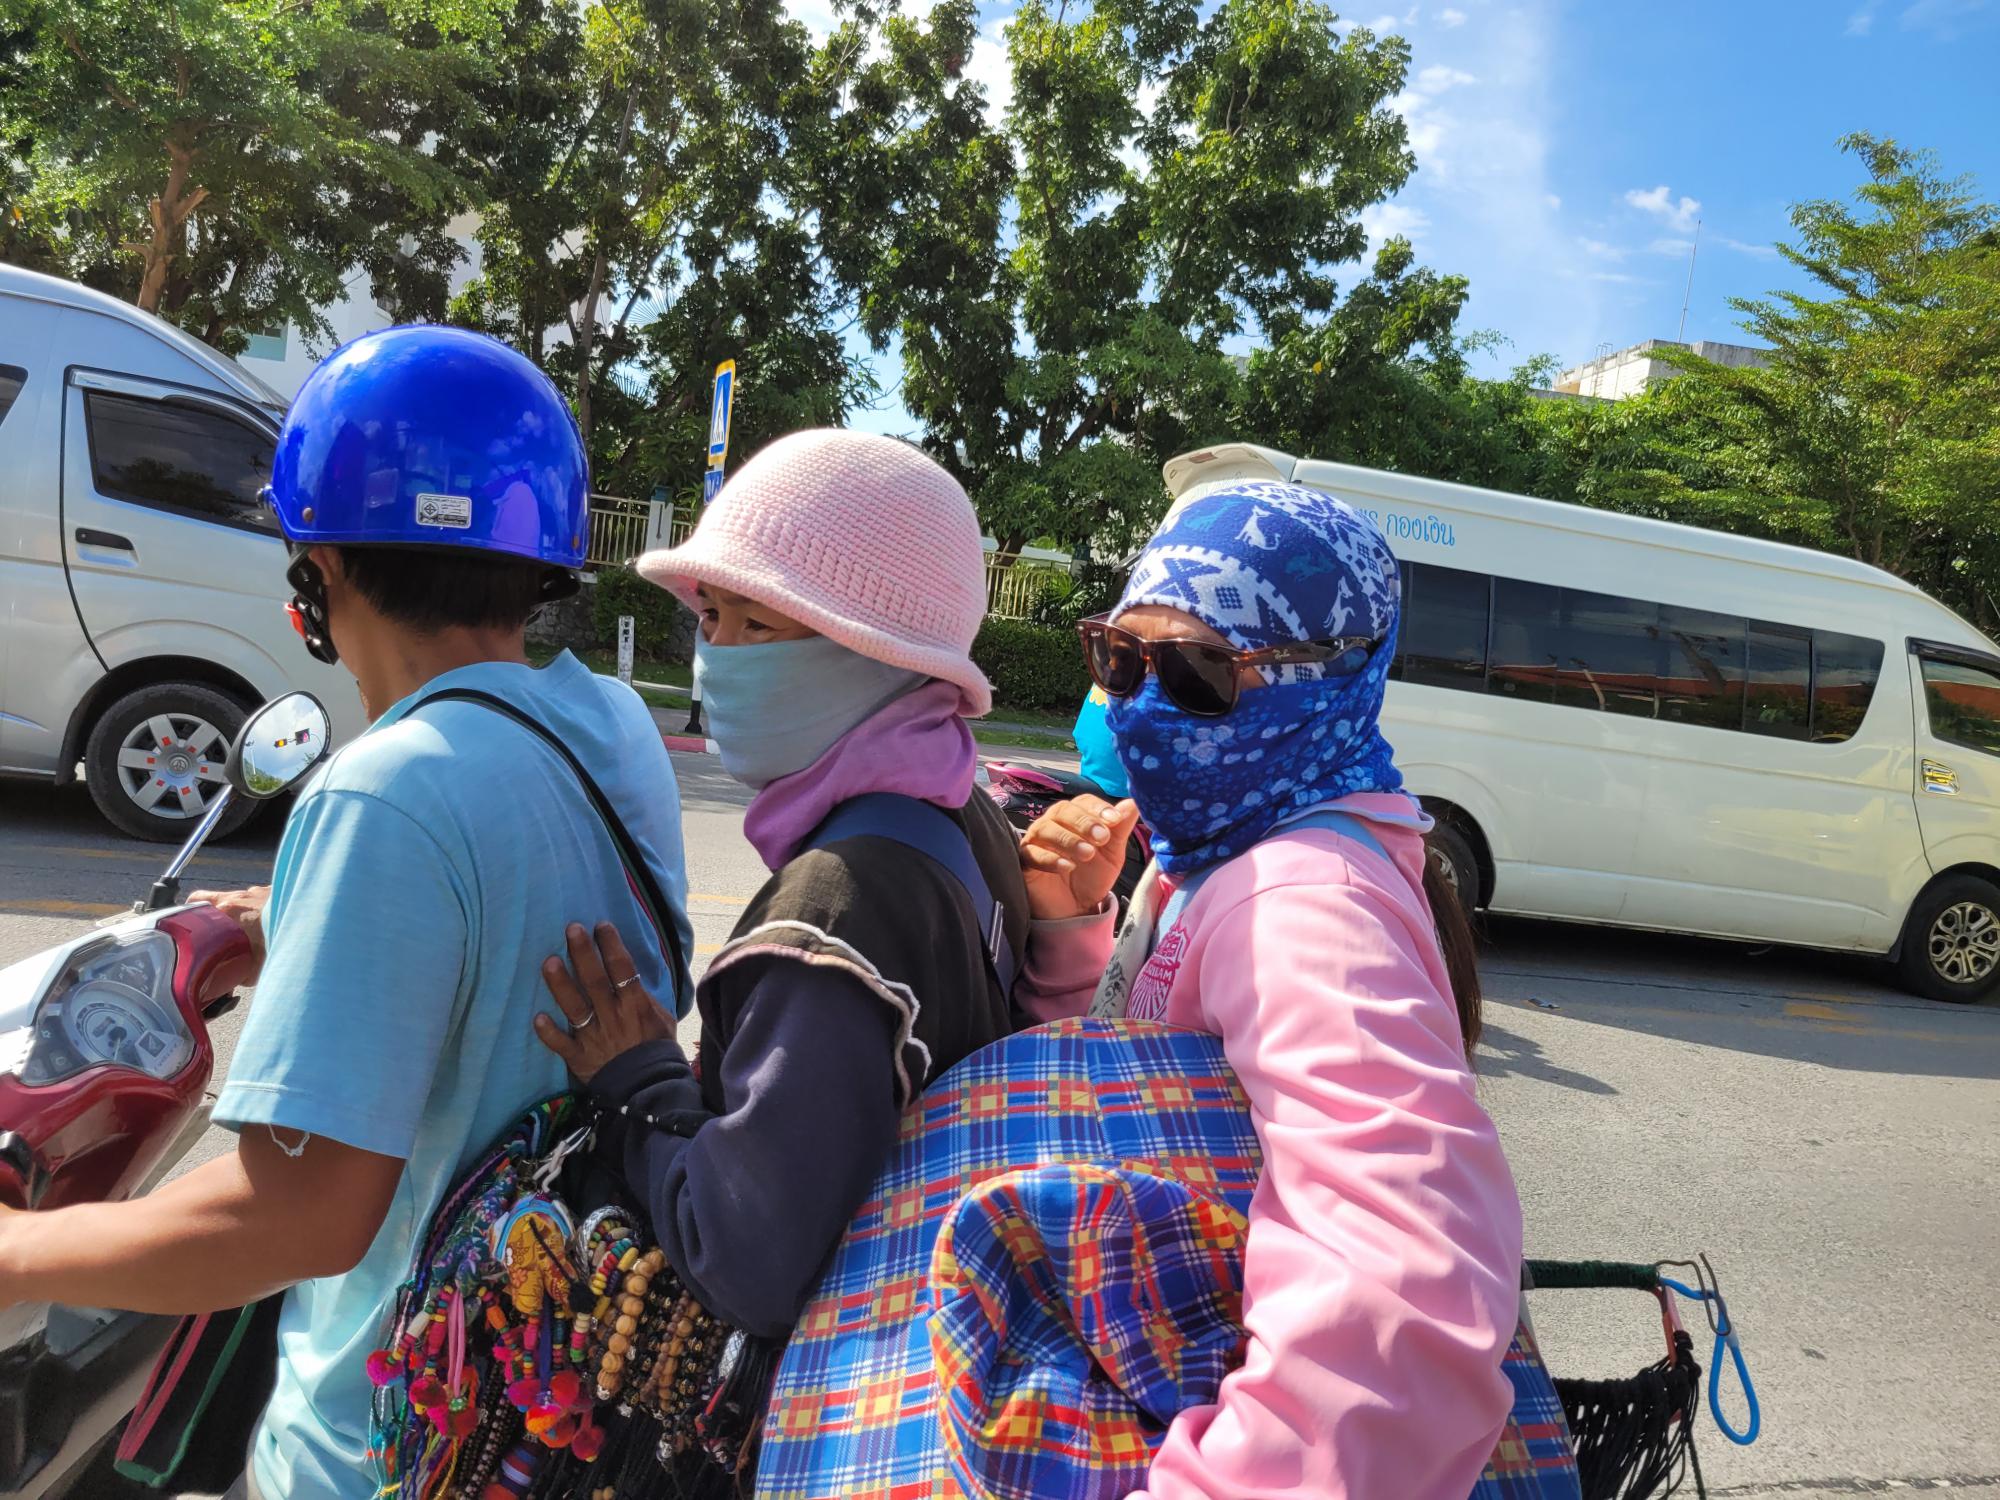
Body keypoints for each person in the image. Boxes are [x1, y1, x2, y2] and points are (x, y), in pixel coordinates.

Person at [0, 326, 695, 1500]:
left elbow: (296, 1219)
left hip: (388, 1443)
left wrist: (19, 1251)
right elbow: (509, 920)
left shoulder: (384, 792)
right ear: (539, 563)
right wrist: (299, 922)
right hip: (543, 1399)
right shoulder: (613, 727)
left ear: (315, 573)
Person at [1014, 480, 1523, 1499]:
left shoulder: (1301, 901)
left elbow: (1402, 1313)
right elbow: (1142, 1102)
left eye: (1196, 672)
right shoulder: (1216, 853)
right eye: (1121, 660)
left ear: (1321, 681)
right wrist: (1072, 931)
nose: (1140, 707)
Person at [533, 428, 1032, 1343]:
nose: (717, 656)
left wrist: (639, 1080)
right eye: (711, 617)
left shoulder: (835, 906)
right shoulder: (966, 809)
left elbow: (740, 1258)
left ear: (881, 652)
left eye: (758, 626)